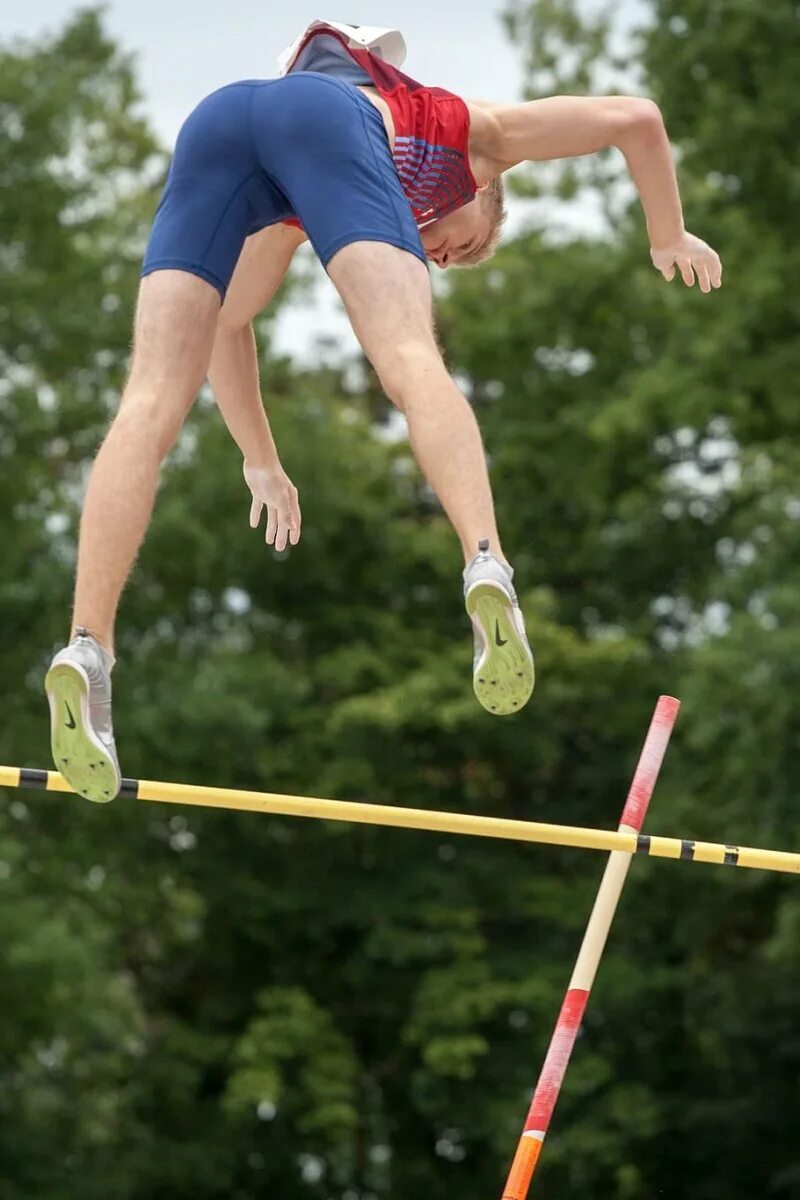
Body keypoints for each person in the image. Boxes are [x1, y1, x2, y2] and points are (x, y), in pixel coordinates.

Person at [45, 20, 723, 804]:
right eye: (468, 247)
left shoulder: (302, 195)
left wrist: (259, 457)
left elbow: (230, 321)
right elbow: (636, 117)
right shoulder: (475, 135)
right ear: (484, 193)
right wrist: (666, 233)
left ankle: (88, 651)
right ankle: (486, 561)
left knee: (149, 397)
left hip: (219, 120)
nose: (445, 254)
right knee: (409, 355)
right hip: (328, 125)